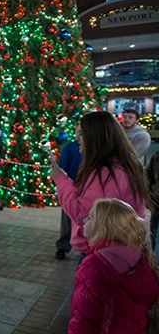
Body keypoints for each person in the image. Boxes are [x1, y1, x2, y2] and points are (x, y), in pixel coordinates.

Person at [50, 111, 148, 258]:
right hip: (115, 247)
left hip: (105, 250)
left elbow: (82, 213)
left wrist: (61, 180)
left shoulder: (108, 172)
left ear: (95, 137)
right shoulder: (119, 165)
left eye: (82, 133)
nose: (78, 138)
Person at [68, 198, 159, 334]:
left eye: (91, 217)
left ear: (103, 227)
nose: (85, 220)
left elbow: (84, 320)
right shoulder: (141, 259)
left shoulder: (94, 266)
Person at [55, 125, 82, 260]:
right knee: (67, 217)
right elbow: (62, 168)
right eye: (79, 133)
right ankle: (63, 246)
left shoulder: (96, 148)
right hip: (72, 187)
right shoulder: (70, 148)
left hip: (88, 188)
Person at [146, 151, 159, 257]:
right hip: (156, 208)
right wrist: (148, 198)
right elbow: (148, 177)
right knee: (154, 237)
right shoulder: (157, 156)